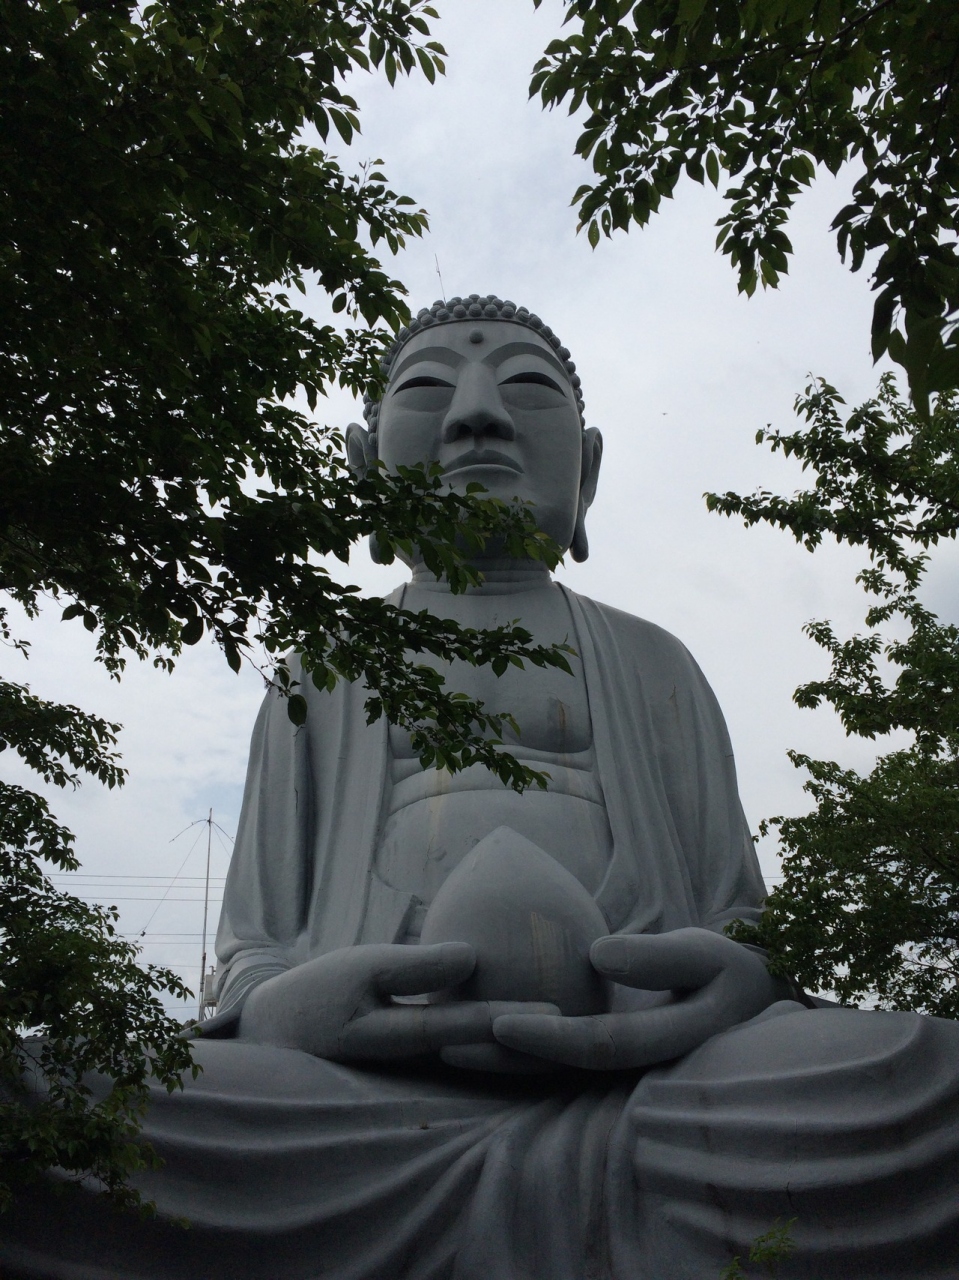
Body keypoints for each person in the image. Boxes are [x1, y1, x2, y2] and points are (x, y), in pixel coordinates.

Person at [4, 296, 959, 1280]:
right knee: (51, 1102)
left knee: (917, 1072)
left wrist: (731, 982)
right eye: (427, 391)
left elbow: (737, 925)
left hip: (661, 1076)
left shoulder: (653, 660)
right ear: (365, 468)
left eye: (526, 390)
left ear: (586, 471)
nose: (476, 415)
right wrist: (285, 1009)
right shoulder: (321, 668)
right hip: (352, 1090)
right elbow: (255, 947)